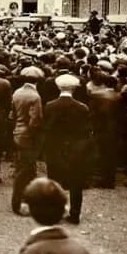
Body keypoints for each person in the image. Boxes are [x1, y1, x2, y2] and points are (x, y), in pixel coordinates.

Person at [43, 74, 92, 224]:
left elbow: (47, 129)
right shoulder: (82, 108)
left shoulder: (50, 106)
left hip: (55, 148)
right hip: (75, 149)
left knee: (53, 182)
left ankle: (53, 212)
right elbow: (86, 131)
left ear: (58, 87)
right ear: (74, 88)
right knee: (76, 183)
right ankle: (75, 214)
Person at [9, 67, 43, 215]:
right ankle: (17, 203)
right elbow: (36, 120)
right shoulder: (35, 97)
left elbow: (12, 114)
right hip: (28, 136)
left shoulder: (17, 92)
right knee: (24, 170)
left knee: (24, 167)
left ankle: (28, 199)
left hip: (17, 132)